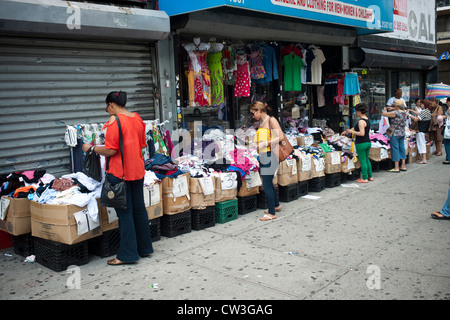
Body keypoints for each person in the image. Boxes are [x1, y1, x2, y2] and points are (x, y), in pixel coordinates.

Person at [82, 91, 153, 266]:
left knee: (125, 213)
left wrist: (91, 149)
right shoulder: (137, 118)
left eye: (107, 107)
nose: (107, 111)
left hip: (120, 173)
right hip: (137, 170)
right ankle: (145, 249)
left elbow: (111, 150)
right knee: (139, 209)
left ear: (111, 105)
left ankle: (127, 255)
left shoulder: (115, 121)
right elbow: (142, 144)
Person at [251, 101, 282, 221]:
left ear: (259, 110)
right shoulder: (262, 122)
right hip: (264, 155)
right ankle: (276, 205)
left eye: (253, 113)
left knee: (267, 184)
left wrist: (265, 143)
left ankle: (272, 213)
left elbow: (281, 137)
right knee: (269, 181)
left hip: (271, 155)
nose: (253, 116)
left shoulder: (271, 120)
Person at [341, 103, 372, 183]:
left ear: (359, 111)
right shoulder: (366, 119)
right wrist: (346, 132)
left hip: (361, 143)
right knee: (366, 160)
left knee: (363, 161)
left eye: (356, 111)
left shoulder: (361, 122)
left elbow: (362, 133)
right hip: (367, 142)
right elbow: (354, 128)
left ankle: (364, 178)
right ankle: (370, 176)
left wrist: (353, 132)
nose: (355, 113)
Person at [382, 99, 408, 172]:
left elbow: (384, 114)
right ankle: (403, 166)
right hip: (402, 133)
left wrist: (384, 109)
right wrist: (393, 108)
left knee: (395, 149)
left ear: (396, 106)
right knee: (402, 148)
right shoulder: (405, 112)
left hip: (395, 133)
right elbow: (399, 110)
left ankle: (396, 167)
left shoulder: (395, 113)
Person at [408, 99, 432, 164]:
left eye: (421, 104)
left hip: (421, 130)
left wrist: (409, 114)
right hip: (423, 130)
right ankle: (423, 158)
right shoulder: (426, 111)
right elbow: (418, 114)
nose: (420, 105)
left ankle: (424, 159)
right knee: (421, 143)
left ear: (424, 104)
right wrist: (410, 110)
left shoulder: (425, 111)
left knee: (421, 144)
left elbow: (416, 119)